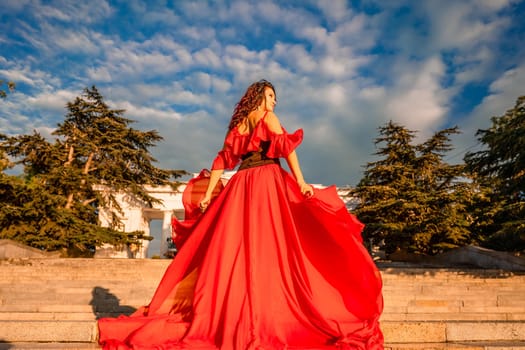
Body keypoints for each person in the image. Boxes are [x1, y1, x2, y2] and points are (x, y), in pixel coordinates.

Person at [98, 80, 384, 349]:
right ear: (259, 96)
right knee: (271, 247)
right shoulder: (267, 119)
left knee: (239, 249)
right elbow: (286, 151)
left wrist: (210, 194)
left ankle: (239, 313)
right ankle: (264, 312)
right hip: (267, 183)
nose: (275, 101)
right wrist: (300, 181)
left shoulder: (237, 126)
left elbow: (222, 161)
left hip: (241, 185)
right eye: (271, 95)